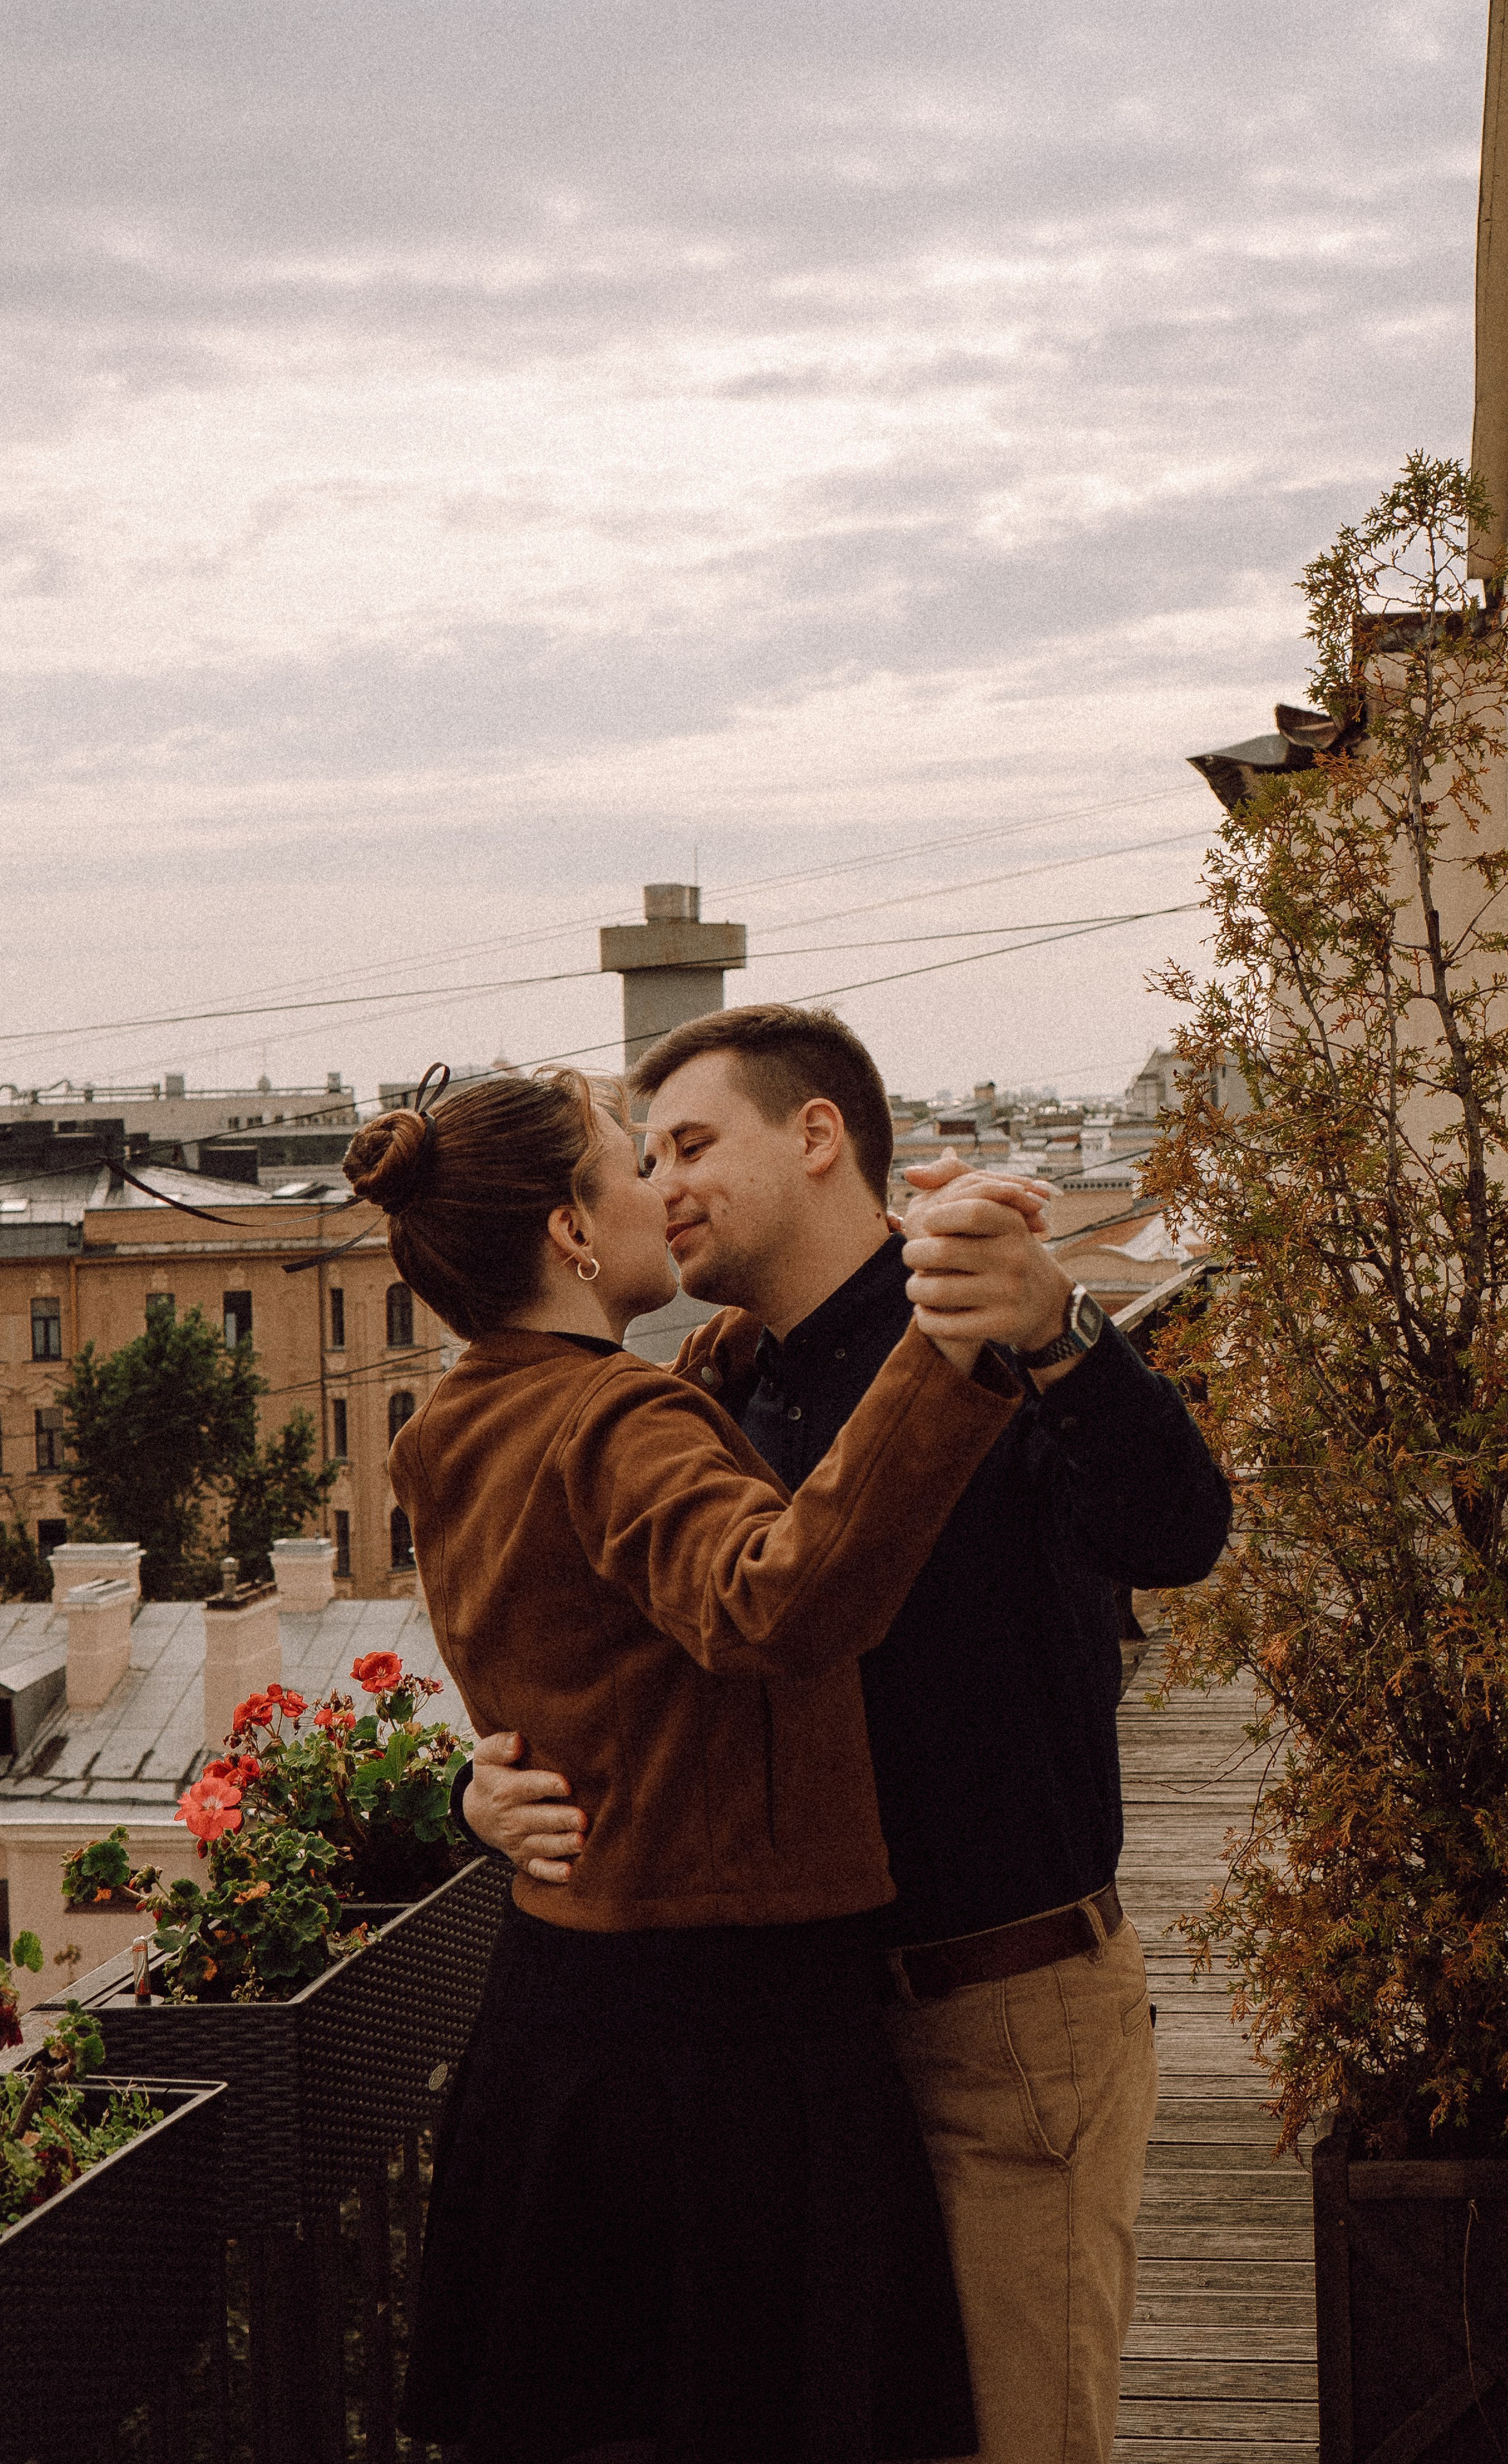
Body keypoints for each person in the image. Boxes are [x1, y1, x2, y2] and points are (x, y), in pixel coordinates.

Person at [463, 1006, 1234, 2464]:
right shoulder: (725, 1382)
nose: (662, 1183)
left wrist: (1067, 1331)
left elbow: (1175, 1532)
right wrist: (476, 1791)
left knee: (1020, 2437)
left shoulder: (976, 1314)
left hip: (1001, 2019)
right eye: (645, 1156)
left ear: (817, 1136)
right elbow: (611, 1660)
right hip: (797, 2044)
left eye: (691, 1144)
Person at [345, 1061, 1028, 2464]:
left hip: (561, 2020)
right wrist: (941, 1349)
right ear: (571, 1234)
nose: (660, 1187)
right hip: (728, 2037)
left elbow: (591, 1633)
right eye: (626, 1165)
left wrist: (703, 1369)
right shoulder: (617, 1423)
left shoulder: (451, 1427)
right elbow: (775, 1600)